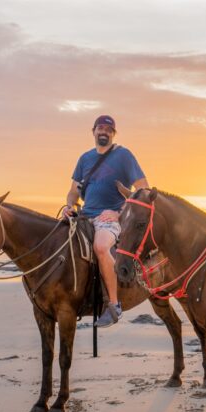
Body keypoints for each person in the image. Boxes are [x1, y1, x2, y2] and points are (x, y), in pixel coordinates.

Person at [62, 115, 149, 327]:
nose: (104, 132)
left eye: (108, 129)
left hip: (109, 218)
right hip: (84, 216)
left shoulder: (124, 156)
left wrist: (120, 213)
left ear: (113, 134)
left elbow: (143, 190)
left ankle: (114, 304)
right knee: (58, 245)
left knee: (101, 247)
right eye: (100, 128)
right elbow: (74, 191)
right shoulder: (85, 159)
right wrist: (69, 206)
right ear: (93, 131)